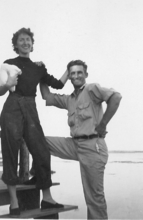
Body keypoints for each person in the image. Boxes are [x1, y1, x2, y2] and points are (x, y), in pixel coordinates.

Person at [0, 28, 68, 217]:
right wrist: (9, 83)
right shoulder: (8, 63)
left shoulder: (38, 67)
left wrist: (69, 69)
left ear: (32, 44)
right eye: (21, 40)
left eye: (28, 40)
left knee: (42, 150)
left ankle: (47, 198)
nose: (26, 43)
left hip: (31, 107)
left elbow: (57, 84)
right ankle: (13, 202)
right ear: (16, 44)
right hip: (12, 107)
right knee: (11, 151)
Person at [40, 60, 122, 220]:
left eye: (79, 72)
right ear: (69, 77)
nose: (76, 76)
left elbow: (116, 97)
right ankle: (39, 177)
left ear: (85, 75)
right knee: (39, 140)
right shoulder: (69, 99)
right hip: (74, 145)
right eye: (72, 73)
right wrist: (40, 75)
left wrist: (103, 123)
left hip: (93, 147)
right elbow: (47, 96)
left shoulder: (92, 89)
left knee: (94, 198)